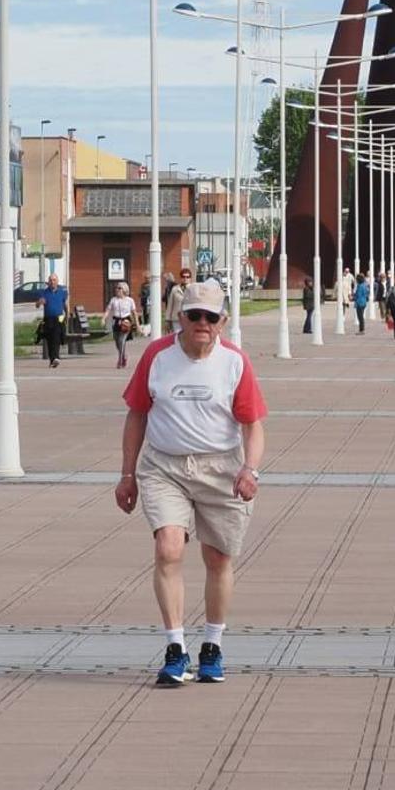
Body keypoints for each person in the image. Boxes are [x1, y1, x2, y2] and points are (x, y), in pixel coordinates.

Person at [115, 279, 268, 687]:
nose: (202, 323)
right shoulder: (157, 356)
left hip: (221, 469)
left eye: (210, 317)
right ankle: (175, 648)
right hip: (164, 466)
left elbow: (252, 426)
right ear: (180, 317)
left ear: (222, 321)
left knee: (218, 559)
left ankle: (212, 645)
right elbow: (136, 416)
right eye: (193, 315)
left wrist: (250, 471)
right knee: (168, 548)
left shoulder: (234, 362)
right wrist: (127, 475)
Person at [103, 281, 141, 369]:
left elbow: (134, 313)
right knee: (117, 341)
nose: (117, 290)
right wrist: (103, 318)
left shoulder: (130, 300)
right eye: (117, 288)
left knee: (122, 340)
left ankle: (120, 360)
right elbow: (108, 310)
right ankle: (124, 355)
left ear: (124, 289)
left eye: (119, 288)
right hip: (116, 320)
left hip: (126, 321)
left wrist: (137, 325)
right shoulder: (114, 300)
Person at [36, 274, 69, 369]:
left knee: (57, 338)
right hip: (48, 318)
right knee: (50, 340)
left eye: (54, 280)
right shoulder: (44, 292)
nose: (52, 282)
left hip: (59, 318)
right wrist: (39, 302)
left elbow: (65, 304)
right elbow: (37, 305)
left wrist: (67, 315)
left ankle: (56, 357)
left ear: (57, 281)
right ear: (48, 282)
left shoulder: (62, 292)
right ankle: (52, 360)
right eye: (50, 280)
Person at [165, 267, 193, 333]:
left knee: (187, 336)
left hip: (188, 318)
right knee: (177, 336)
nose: (185, 279)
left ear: (190, 278)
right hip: (176, 318)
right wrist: (167, 319)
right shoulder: (175, 289)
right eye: (183, 277)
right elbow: (170, 305)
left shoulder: (193, 289)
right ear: (180, 278)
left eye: (187, 277)